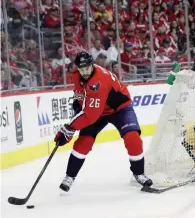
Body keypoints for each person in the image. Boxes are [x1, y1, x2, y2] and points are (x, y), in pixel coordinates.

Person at [54, 51, 153, 192]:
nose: (85, 72)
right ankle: (69, 176)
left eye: (87, 68)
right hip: (95, 110)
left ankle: (139, 173)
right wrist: (78, 104)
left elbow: (90, 115)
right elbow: (82, 97)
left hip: (119, 109)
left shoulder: (98, 81)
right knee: (84, 142)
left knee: (133, 138)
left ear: (92, 65)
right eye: (82, 69)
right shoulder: (77, 76)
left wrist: (69, 128)